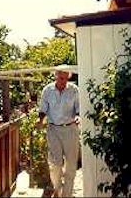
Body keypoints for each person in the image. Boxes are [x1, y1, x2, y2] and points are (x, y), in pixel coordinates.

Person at [36, 64, 80, 197]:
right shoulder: (47, 90)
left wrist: (78, 117)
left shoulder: (74, 90)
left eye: (66, 79)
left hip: (70, 129)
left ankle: (66, 195)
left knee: (71, 165)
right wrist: (40, 120)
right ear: (55, 76)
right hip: (53, 129)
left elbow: (78, 108)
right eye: (61, 78)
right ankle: (58, 189)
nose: (63, 82)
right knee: (55, 164)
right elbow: (43, 109)